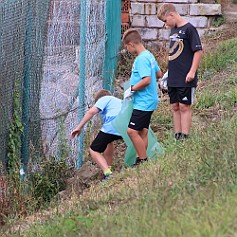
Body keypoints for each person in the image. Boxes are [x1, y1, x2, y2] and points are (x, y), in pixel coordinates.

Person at [157, 3, 203, 140]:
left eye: (165, 21)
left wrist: (192, 71)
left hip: (185, 77)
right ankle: (177, 136)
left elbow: (198, 51)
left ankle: (185, 136)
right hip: (173, 77)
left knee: (184, 106)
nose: (166, 25)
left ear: (171, 14)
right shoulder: (173, 31)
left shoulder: (189, 29)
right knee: (175, 106)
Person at [122, 29, 162, 166]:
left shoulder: (141, 59)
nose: (127, 50)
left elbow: (146, 80)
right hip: (150, 99)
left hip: (143, 102)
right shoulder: (149, 55)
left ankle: (143, 160)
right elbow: (159, 73)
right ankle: (140, 158)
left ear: (131, 44)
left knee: (131, 131)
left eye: (127, 47)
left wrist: (132, 89)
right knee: (143, 131)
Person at [71, 89, 122, 181]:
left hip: (113, 124)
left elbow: (91, 112)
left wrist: (79, 127)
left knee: (93, 149)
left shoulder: (104, 99)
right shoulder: (118, 101)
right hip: (127, 125)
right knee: (108, 141)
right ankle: (108, 169)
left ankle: (108, 173)